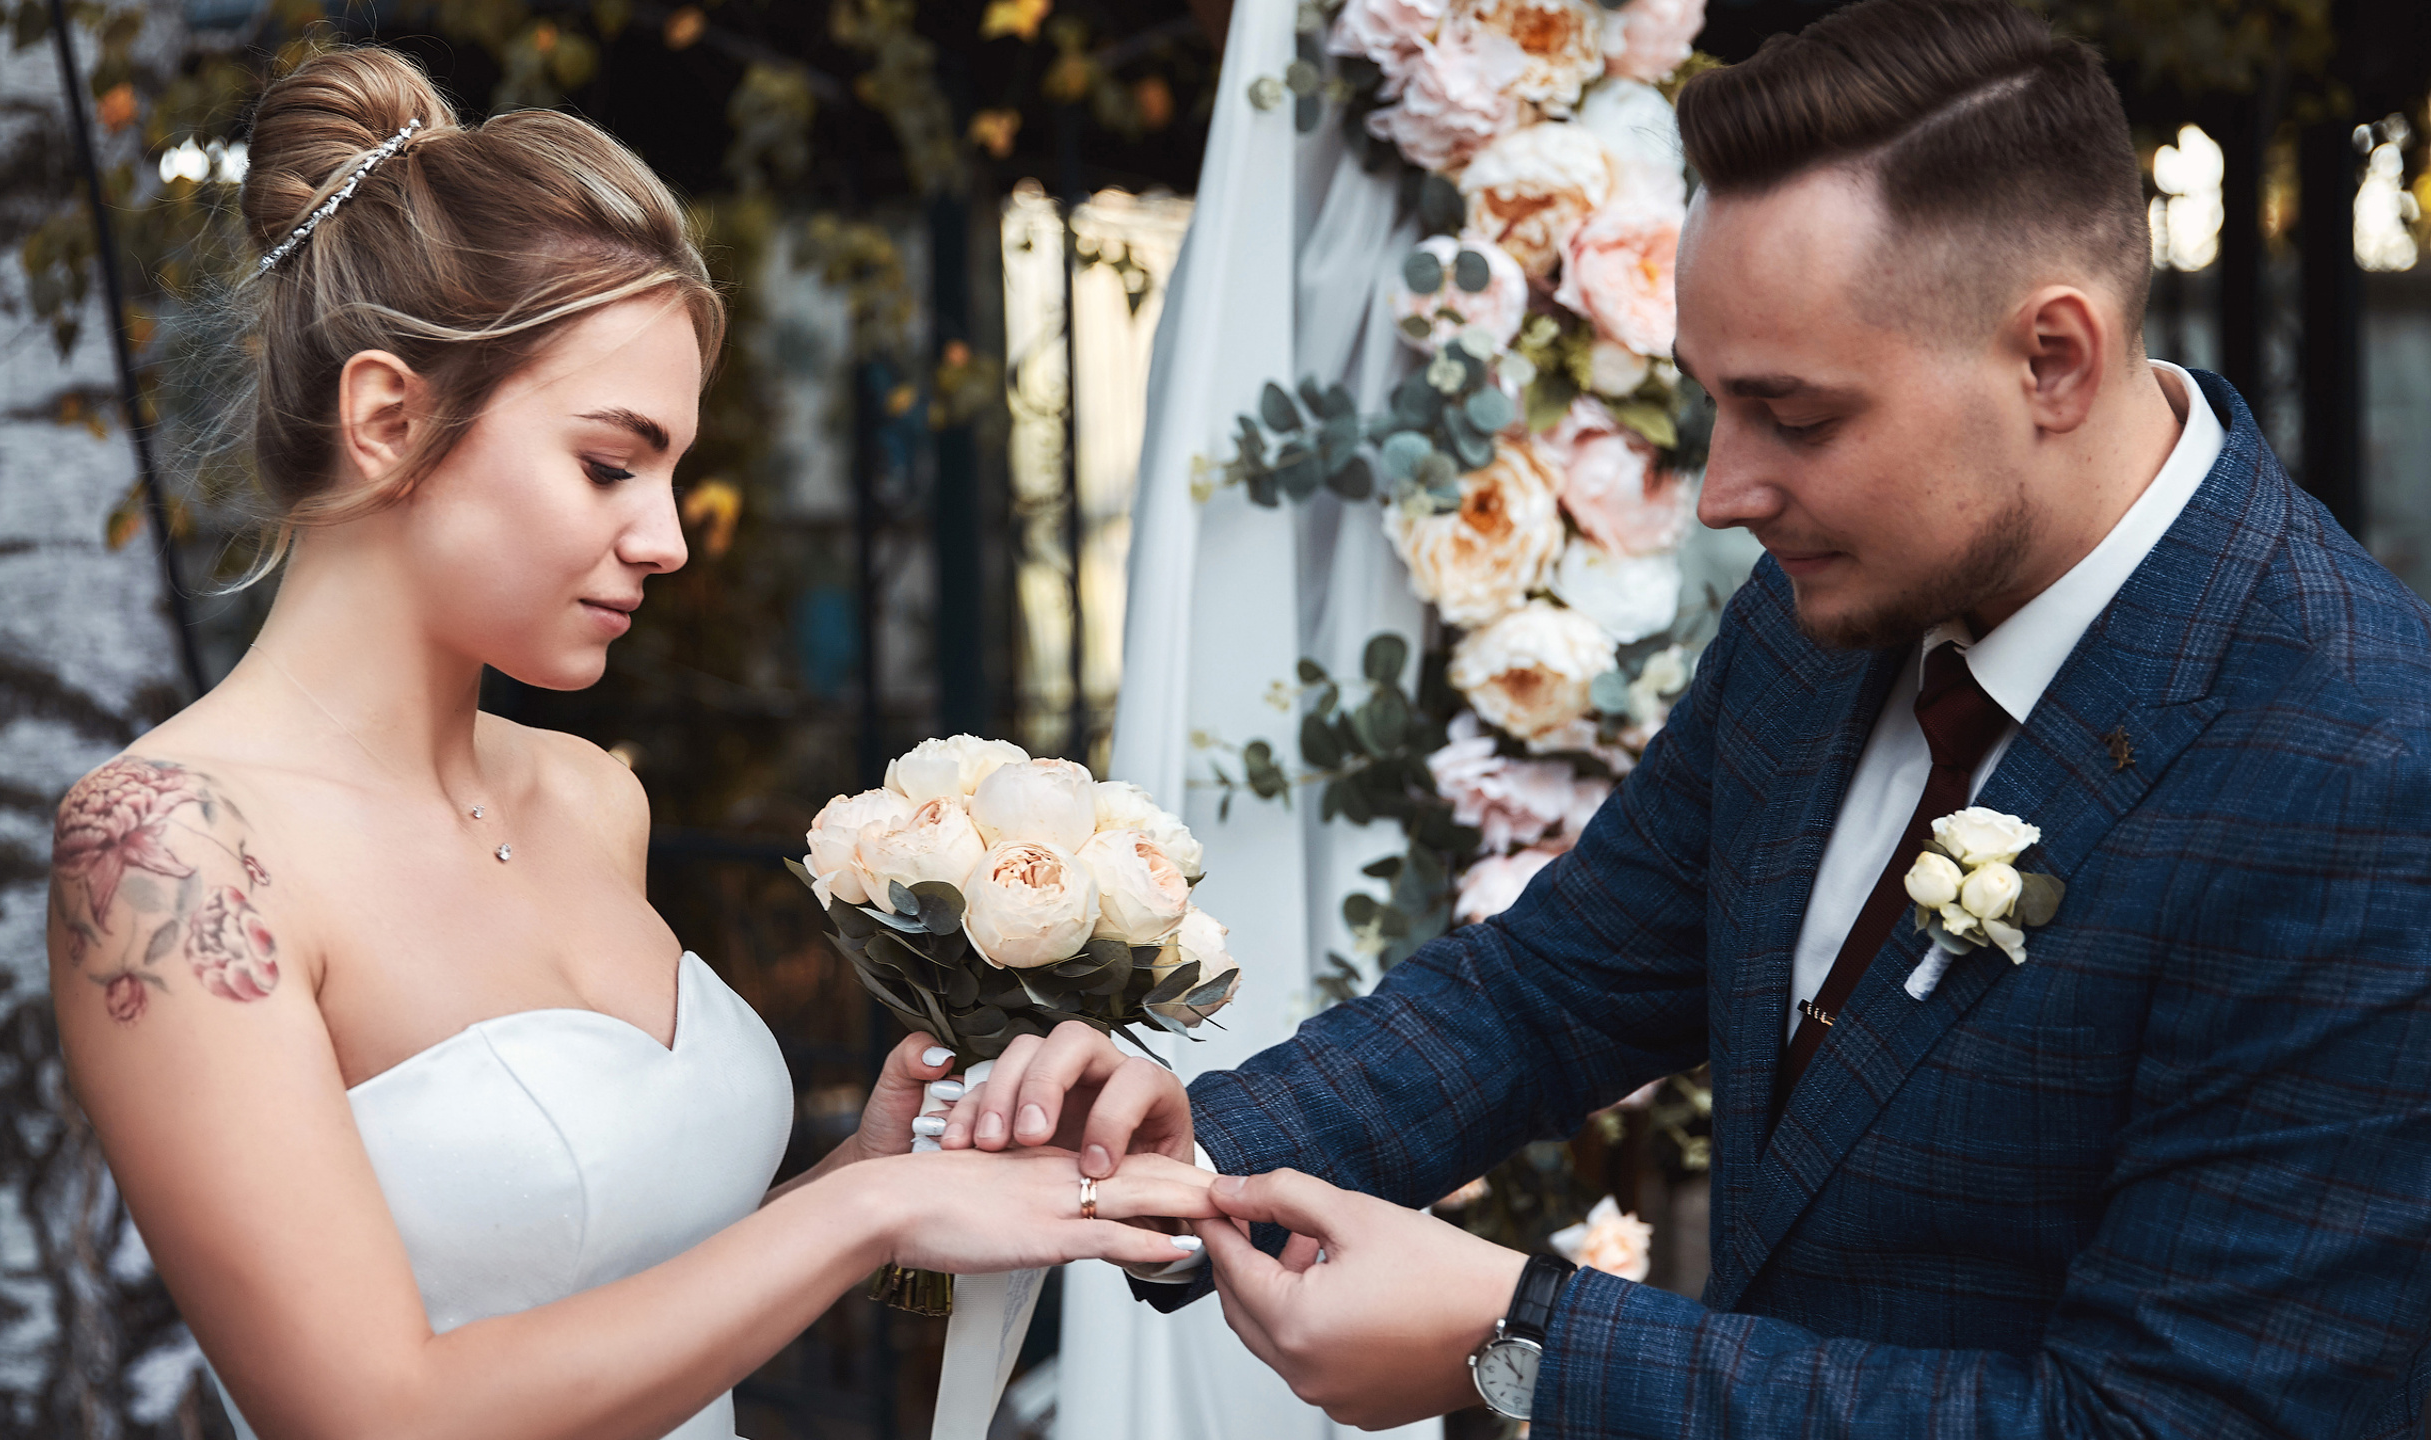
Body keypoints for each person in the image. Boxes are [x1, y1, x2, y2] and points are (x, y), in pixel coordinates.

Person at [941, 1, 2431, 1434]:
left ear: (2053, 360)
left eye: (1798, 416)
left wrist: (1524, 1342)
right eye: (1711, 402)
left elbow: (2160, 1421)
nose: (1726, 492)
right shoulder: (1825, 607)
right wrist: (1195, 1148)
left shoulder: (2362, 769)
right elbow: (1558, 987)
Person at [46, 48, 1211, 1440]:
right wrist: (868, 1215)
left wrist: (868, 1177)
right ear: (387, 420)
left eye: (670, 473)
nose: (663, 540)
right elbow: (374, 1411)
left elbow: (613, 1296)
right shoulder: (164, 851)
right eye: (609, 464)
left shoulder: (591, 795)